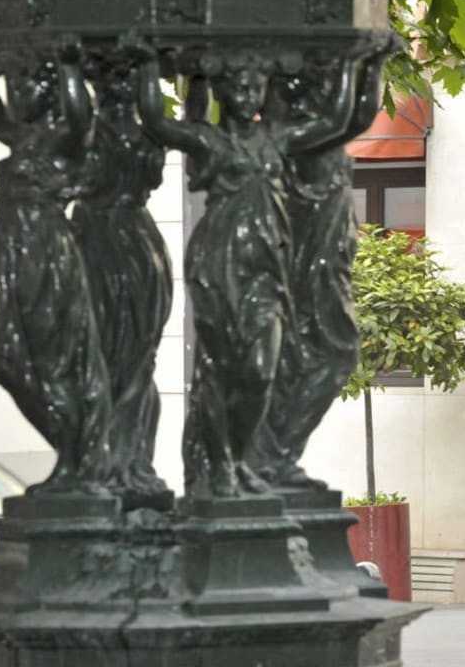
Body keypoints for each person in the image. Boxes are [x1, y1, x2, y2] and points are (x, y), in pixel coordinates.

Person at [128, 37, 363, 498]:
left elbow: (337, 119)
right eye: (239, 85)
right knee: (222, 369)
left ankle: (241, 456)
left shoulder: (277, 139)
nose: (250, 94)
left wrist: (357, 62)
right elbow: (157, 119)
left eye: (257, 85)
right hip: (220, 265)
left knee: (260, 370)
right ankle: (223, 469)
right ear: (224, 90)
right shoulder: (210, 140)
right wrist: (148, 63)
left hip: (265, 270)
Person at [0, 39, 111, 494]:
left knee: (51, 358)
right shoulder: (23, 137)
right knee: (10, 361)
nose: (18, 93)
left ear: (48, 92)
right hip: (12, 252)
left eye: (27, 84)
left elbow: (81, 115)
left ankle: (76, 458)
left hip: (45, 255)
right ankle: (75, 454)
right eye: (16, 85)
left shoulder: (64, 141)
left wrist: (69, 67)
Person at [248, 38, 396, 489]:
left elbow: (356, 114)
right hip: (306, 264)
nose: (310, 92)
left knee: (329, 355)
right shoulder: (286, 138)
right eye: (296, 85)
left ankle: (278, 454)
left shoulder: (319, 135)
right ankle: (270, 454)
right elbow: (344, 116)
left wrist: (372, 64)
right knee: (319, 353)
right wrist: (361, 60)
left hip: (328, 258)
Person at [71, 59, 173, 499]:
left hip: (134, 245)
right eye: (108, 81)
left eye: (124, 81)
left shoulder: (147, 134)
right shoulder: (82, 134)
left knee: (138, 360)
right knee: (97, 356)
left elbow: (157, 119)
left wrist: (157, 69)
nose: (115, 91)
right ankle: (99, 461)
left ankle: (133, 462)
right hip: (95, 241)